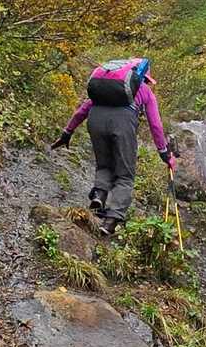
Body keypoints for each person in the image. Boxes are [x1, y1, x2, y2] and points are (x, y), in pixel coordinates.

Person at [55, 57, 176, 235]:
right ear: (143, 76)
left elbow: (82, 110)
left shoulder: (105, 91)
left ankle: (99, 196)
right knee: (125, 175)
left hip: (95, 120)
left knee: (104, 165)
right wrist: (164, 153)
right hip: (122, 124)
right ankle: (110, 221)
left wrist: (67, 132)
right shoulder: (144, 90)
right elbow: (155, 125)